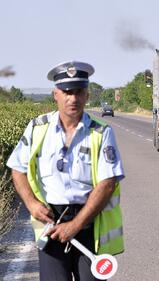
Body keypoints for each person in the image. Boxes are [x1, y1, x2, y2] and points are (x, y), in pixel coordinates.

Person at [7, 61, 125, 281]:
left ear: (87, 95)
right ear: (55, 94)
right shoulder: (37, 128)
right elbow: (17, 168)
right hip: (50, 226)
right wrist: (32, 204)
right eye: (67, 92)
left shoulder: (101, 132)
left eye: (79, 92)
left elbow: (107, 183)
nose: (73, 98)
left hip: (89, 223)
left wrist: (75, 225)